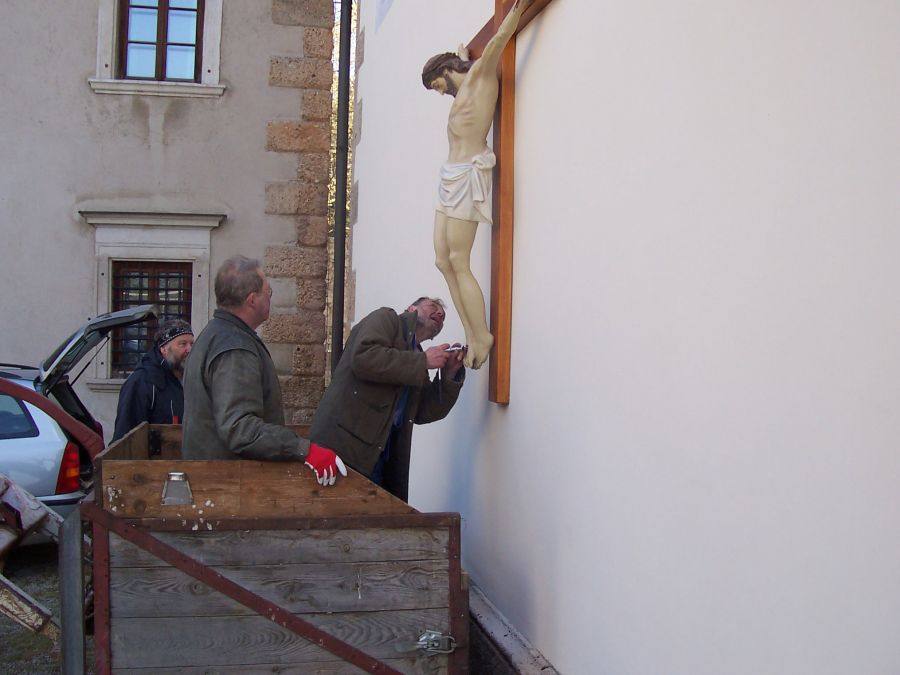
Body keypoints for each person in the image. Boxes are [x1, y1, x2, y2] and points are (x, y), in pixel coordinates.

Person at [422, 0, 530, 370]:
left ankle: (480, 334)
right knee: (441, 259)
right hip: (448, 178)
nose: (440, 92)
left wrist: (516, 8)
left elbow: (500, 35)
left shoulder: (483, 75)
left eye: (437, 84)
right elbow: (466, 53)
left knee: (458, 259)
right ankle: (471, 332)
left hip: (469, 174)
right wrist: (462, 54)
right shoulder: (462, 81)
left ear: (447, 70)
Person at [181, 255, 345, 486]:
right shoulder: (234, 347)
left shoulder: (215, 334)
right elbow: (239, 428)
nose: (270, 298)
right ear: (252, 300)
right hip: (226, 488)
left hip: (215, 483)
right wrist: (304, 450)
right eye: (268, 292)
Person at [308, 297, 466, 502]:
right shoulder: (387, 319)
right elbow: (363, 358)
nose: (439, 314)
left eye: (443, 316)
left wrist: (448, 376)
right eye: (432, 307)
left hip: (380, 461)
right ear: (411, 309)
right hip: (343, 454)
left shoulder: (417, 360)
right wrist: (423, 361)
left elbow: (425, 411)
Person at [111, 319, 194, 442]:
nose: (190, 349)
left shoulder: (188, 379)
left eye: (192, 344)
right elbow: (126, 436)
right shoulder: (141, 382)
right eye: (182, 344)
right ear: (163, 349)